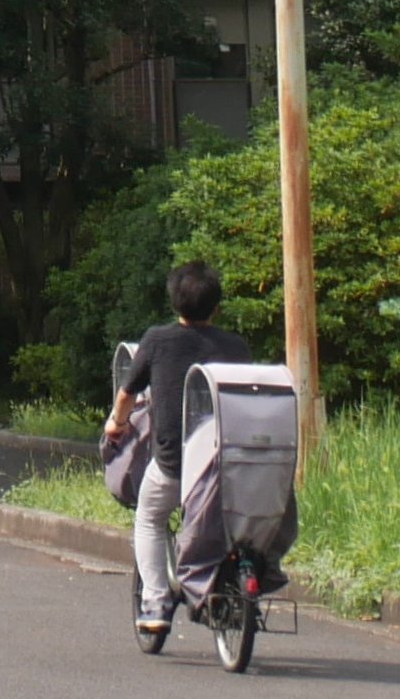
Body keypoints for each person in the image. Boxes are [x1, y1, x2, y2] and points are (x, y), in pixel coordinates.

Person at [109, 260, 245, 646]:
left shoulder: (157, 340)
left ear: (174, 302)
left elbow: (127, 393)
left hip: (174, 467)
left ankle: (153, 604)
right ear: (216, 306)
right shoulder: (236, 346)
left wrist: (116, 424)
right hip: (226, 467)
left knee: (150, 518)